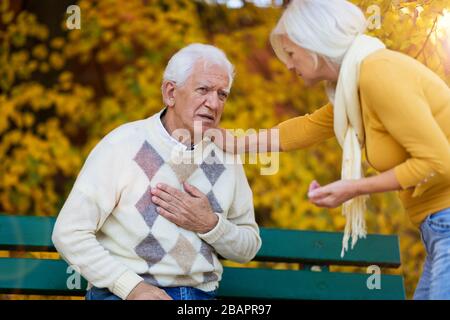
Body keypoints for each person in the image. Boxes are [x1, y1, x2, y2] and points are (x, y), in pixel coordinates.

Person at [211, 0, 450, 300]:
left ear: (313, 46)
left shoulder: (378, 73)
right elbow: (306, 128)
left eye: (291, 53)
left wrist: (355, 188)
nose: (287, 64)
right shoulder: (354, 88)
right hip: (438, 228)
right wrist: (233, 142)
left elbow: (437, 161)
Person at [52, 43, 262, 300]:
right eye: (203, 90)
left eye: (222, 94)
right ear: (170, 93)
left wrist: (210, 224)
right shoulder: (122, 144)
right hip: (124, 294)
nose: (214, 103)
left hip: (201, 297)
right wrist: (130, 287)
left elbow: (248, 246)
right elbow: (68, 233)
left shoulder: (227, 156)